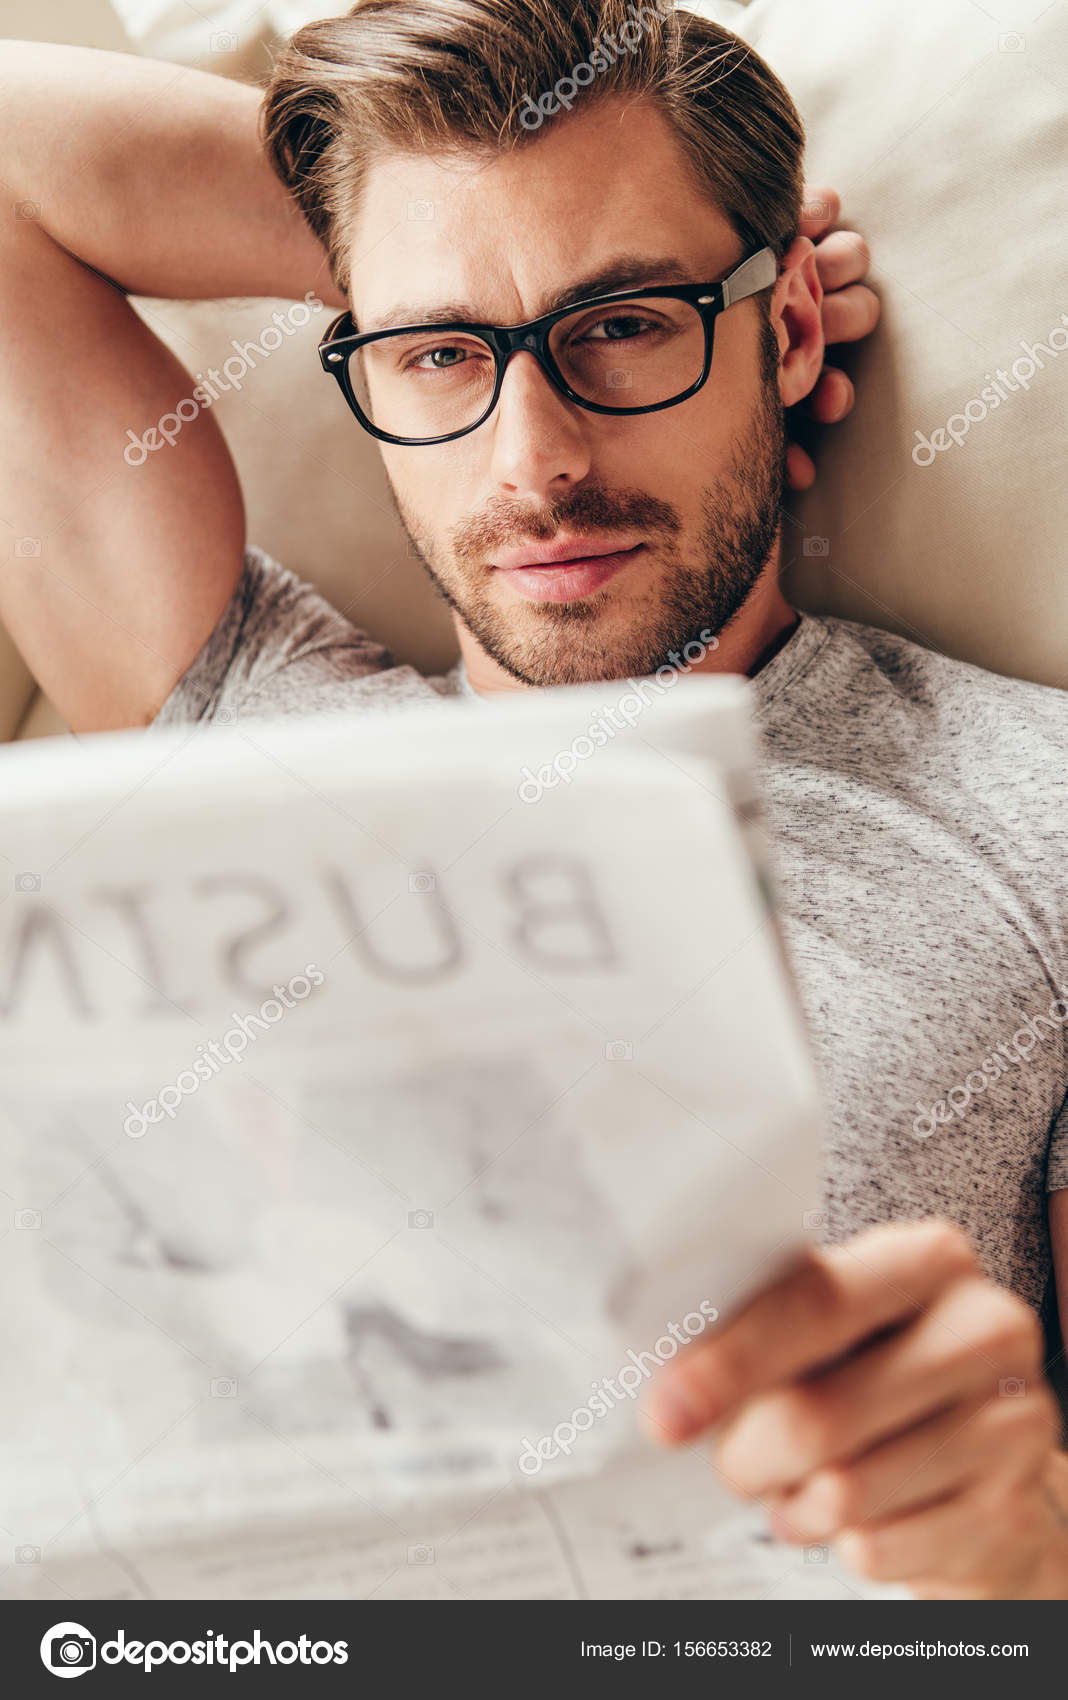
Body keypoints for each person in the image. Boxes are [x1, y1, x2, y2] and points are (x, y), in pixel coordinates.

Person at [1, 1, 1066, 1598]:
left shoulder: (1032, 813)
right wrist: (407, 228)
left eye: (623, 327)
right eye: (439, 356)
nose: (536, 457)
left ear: (786, 335)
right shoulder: (244, 723)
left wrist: (1021, 1560)